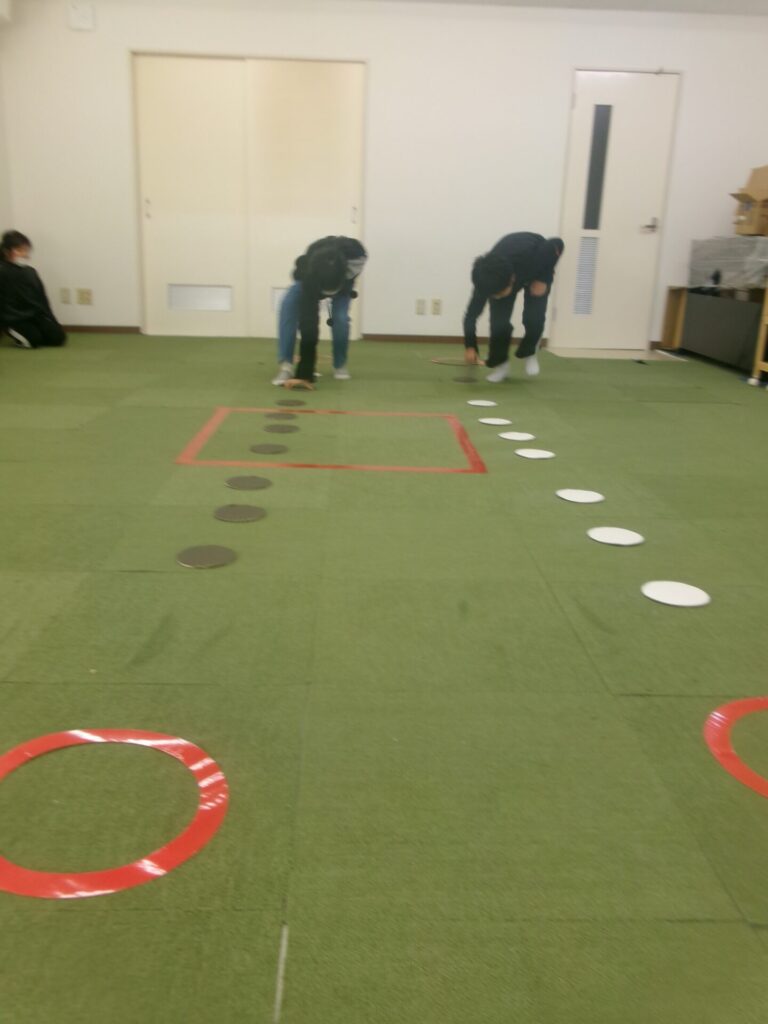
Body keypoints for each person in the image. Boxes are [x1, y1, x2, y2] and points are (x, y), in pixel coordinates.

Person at [463, 233, 563, 382]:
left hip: (535, 271)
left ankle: (530, 351)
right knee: (499, 324)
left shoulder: (535, 258)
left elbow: (557, 243)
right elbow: (470, 317)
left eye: (499, 293)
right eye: (493, 295)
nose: (497, 297)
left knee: (534, 318)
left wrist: (544, 278)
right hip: (506, 269)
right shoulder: (485, 282)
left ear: (512, 280)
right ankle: (501, 365)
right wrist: (470, 346)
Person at [273, 235, 367, 389]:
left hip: (343, 284)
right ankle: (286, 366)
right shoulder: (306, 271)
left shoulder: (355, 257)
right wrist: (305, 372)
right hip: (312, 282)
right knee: (288, 306)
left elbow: (353, 269)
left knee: (340, 319)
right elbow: (308, 324)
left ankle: (340, 364)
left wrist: (340, 284)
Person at [0, 230, 67, 349]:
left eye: (26, 250)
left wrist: (51, 319)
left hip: (34, 315)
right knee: (33, 341)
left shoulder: (31, 272)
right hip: (13, 319)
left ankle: (34, 333)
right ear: (6, 251)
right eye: (19, 250)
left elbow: (42, 298)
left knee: (58, 338)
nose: (24, 254)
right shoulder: (2, 271)